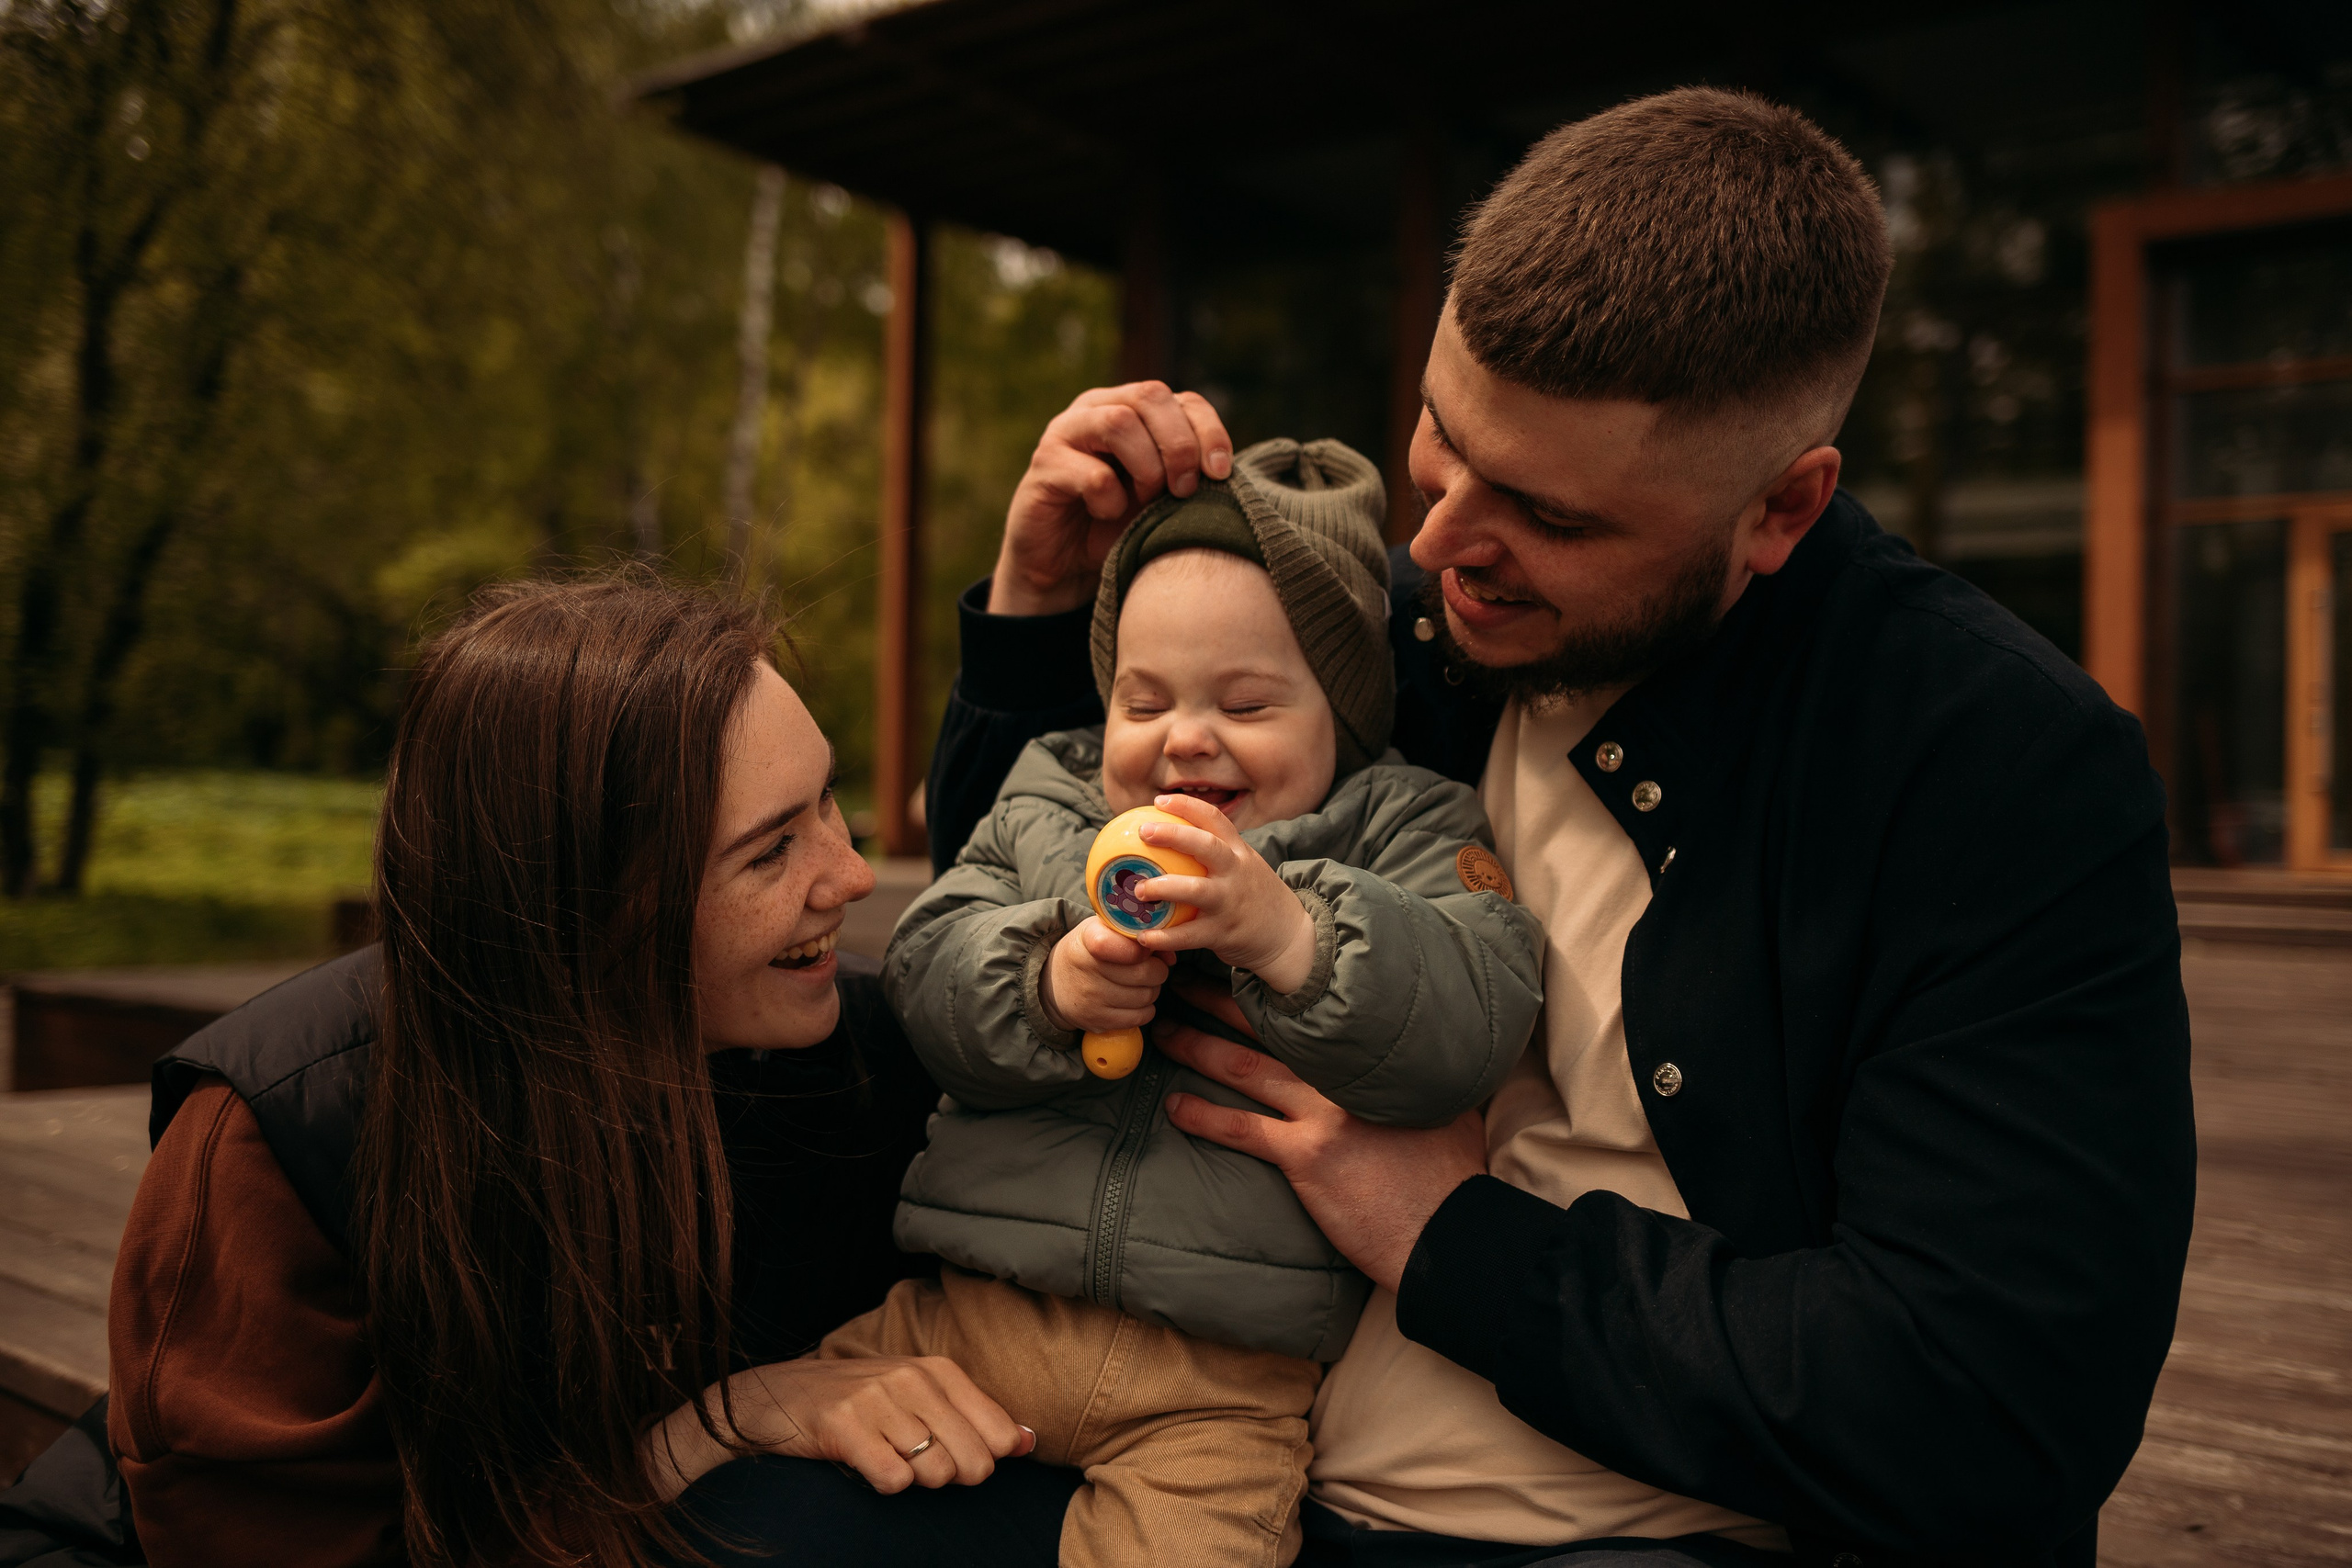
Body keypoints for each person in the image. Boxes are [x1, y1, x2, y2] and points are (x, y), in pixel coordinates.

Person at [927, 89, 2197, 1567]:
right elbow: (1015, 897)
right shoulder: (1410, 636)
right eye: (1440, 437)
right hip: (1179, 1447)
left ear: (1782, 508)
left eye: (1549, 515)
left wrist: (1453, 1238)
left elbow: (1986, 1406)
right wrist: (1035, 612)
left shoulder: (1990, 765)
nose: (1435, 545)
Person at [89, 575, 1078, 1567]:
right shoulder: (285, 1132)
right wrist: (703, 1434)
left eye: (828, 799)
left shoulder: (858, 1051)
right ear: (589, 907)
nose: (852, 874)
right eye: (771, 851)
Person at [822, 438, 1544, 1567]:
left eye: (1245, 702)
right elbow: (926, 970)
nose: (1185, 737)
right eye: (1143, 699)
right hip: (966, 1321)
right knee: (772, 1479)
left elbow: (1471, 1013)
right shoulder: (1046, 800)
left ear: (1343, 713)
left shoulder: (1404, 825)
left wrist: (1291, 937)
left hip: (1216, 1394)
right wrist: (1046, 980)